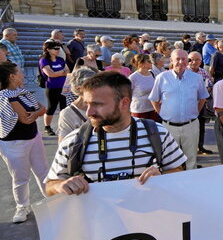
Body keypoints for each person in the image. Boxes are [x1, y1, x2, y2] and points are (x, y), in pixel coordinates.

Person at [45, 72, 186, 196]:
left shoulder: (157, 133)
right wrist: (59, 186)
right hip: (98, 224)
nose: (89, 113)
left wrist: (162, 177)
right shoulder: (74, 141)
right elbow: (49, 186)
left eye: (97, 104)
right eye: (87, 104)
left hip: (148, 223)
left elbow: (179, 172)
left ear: (124, 103)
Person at [0, 62, 48, 223]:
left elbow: (42, 109)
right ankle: (22, 207)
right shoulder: (4, 95)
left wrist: (35, 113)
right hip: (14, 143)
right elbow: (25, 119)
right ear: (11, 76)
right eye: (19, 71)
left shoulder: (22, 91)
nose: (22, 73)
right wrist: (36, 113)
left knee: (42, 171)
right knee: (20, 177)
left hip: (33, 137)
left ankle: (50, 199)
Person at [149, 49, 209, 170]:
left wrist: (195, 112)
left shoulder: (196, 78)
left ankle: (190, 185)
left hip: (190, 126)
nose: (181, 62)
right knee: (170, 160)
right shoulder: (162, 77)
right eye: (177, 59)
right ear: (171, 61)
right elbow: (154, 99)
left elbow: (202, 98)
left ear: (188, 61)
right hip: (169, 127)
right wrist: (161, 112)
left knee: (191, 159)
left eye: (184, 59)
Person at [57, 67, 96, 142]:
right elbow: (63, 145)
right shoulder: (67, 114)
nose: (97, 87)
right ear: (79, 89)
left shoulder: (104, 106)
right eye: (92, 85)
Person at [39, 41, 69, 136]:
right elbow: (50, 74)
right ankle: (47, 127)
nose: (58, 50)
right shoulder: (44, 60)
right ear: (48, 50)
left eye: (59, 48)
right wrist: (62, 72)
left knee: (64, 107)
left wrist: (59, 73)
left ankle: (63, 126)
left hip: (63, 87)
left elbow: (68, 70)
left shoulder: (60, 59)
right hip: (52, 87)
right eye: (55, 48)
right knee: (52, 107)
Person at [188, 51, 214, 156]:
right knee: (189, 129)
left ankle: (200, 147)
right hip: (188, 104)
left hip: (201, 103)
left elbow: (209, 84)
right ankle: (191, 151)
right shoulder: (184, 72)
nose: (194, 62)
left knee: (201, 126)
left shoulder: (203, 71)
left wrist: (207, 88)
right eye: (191, 60)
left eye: (197, 60)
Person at [128, 54, 159, 122]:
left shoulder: (153, 74)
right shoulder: (133, 77)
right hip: (139, 110)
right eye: (148, 61)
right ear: (141, 64)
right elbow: (127, 94)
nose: (151, 63)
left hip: (153, 109)